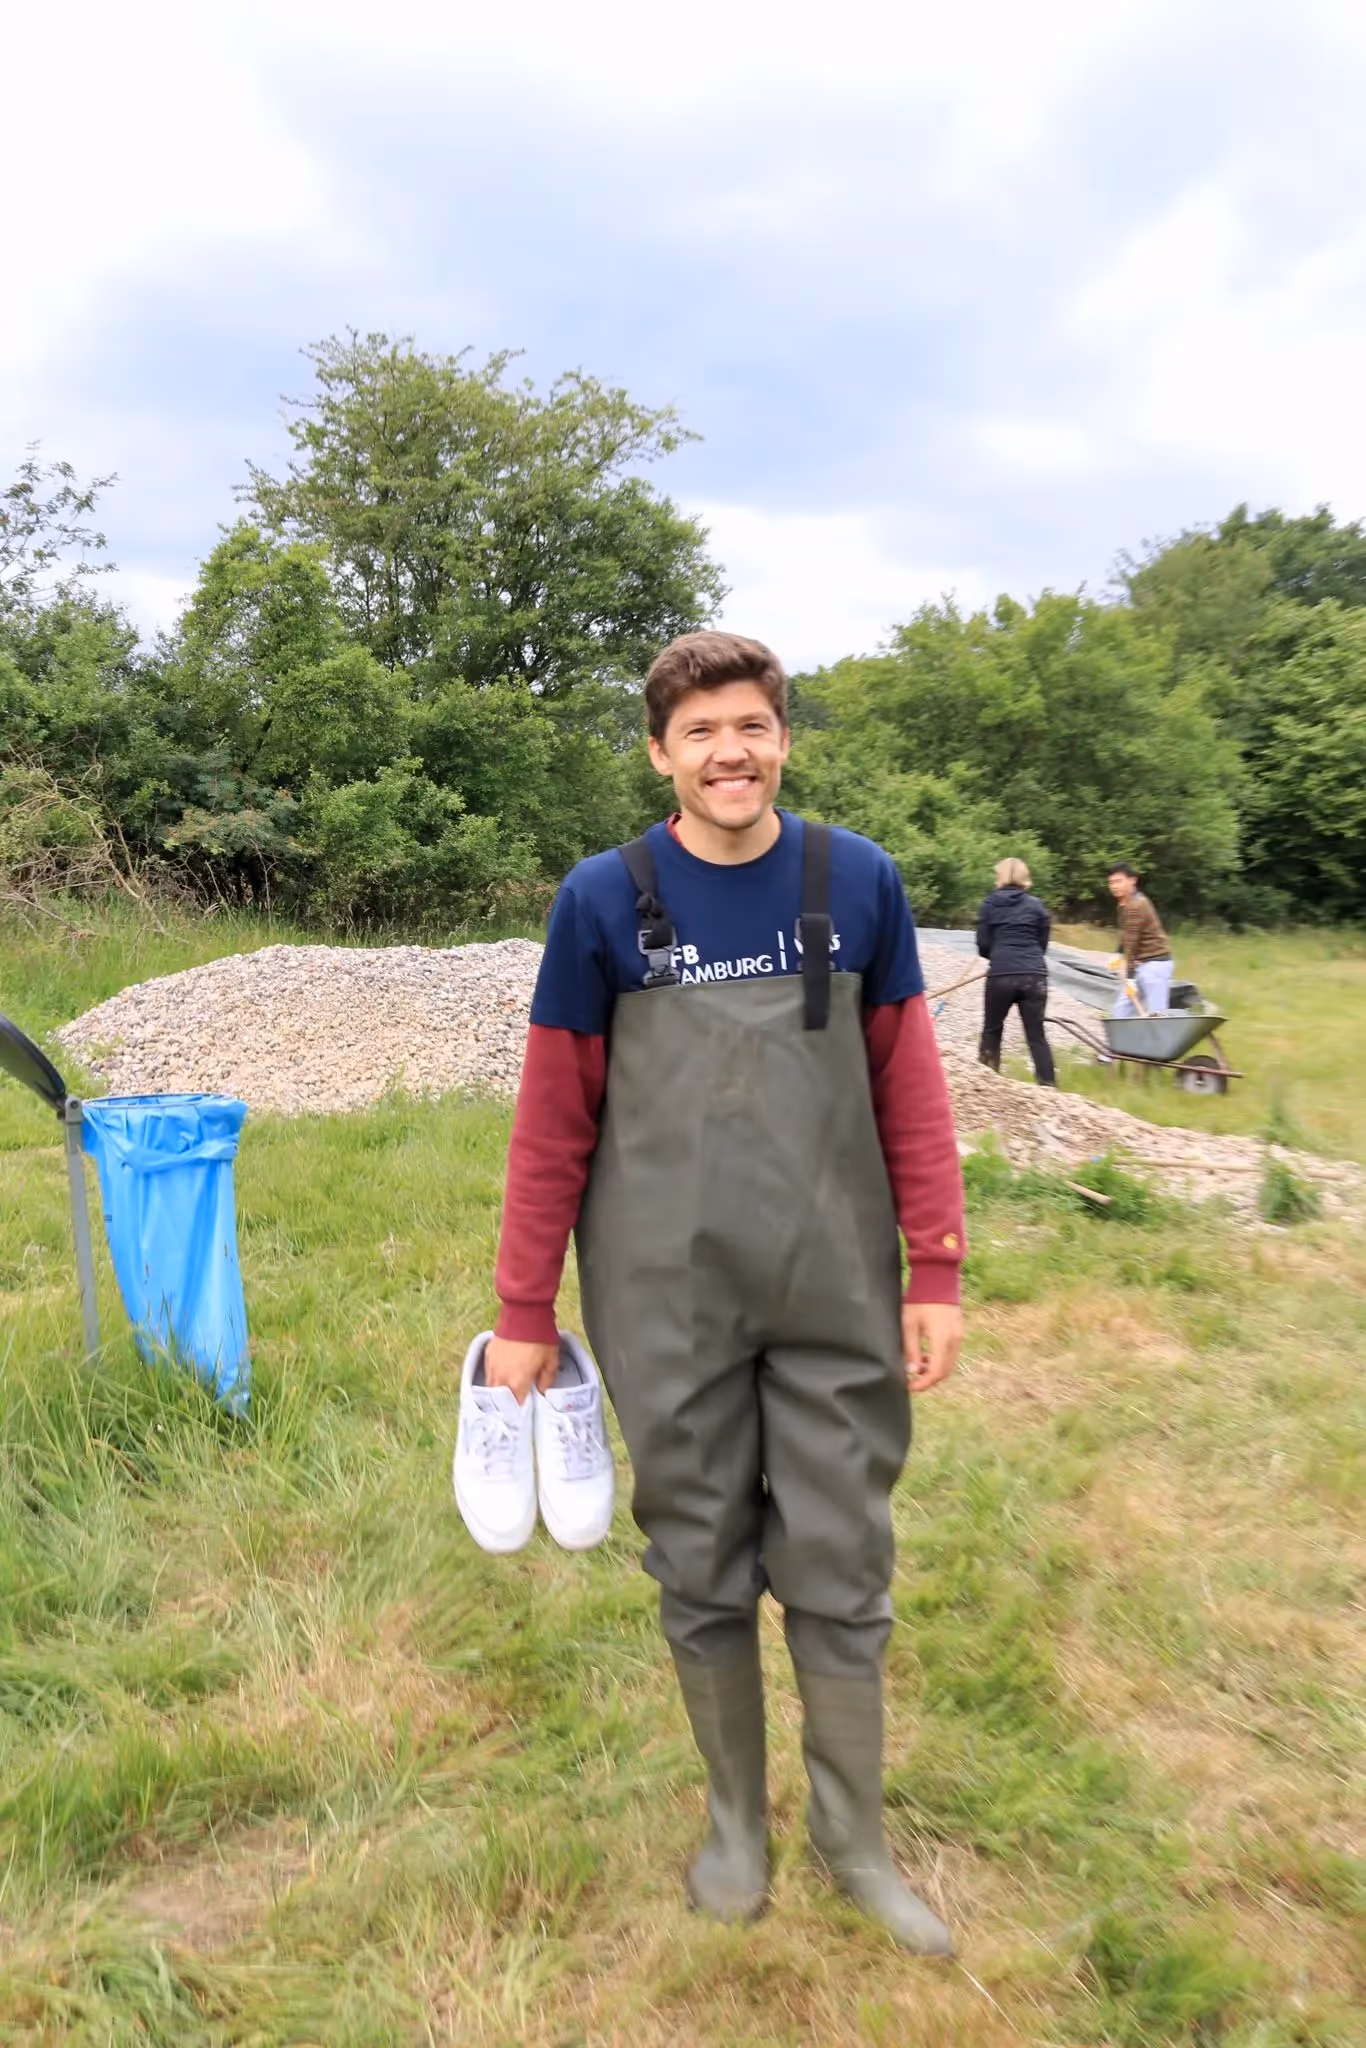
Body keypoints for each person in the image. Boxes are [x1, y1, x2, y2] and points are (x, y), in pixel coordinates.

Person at [484, 631, 964, 1954]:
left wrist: (934, 1264)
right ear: (660, 754)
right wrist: (524, 1310)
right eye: (699, 732)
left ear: (783, 739)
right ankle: (735, 1830)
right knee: (697, 1556)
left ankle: (854, 1842)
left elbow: (912, 1091)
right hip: (665, 1298)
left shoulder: (857, 881)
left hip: (835, 1290)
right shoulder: (599, 901)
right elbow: (551, 1121)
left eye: (749, 725)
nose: (728, 752)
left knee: (840, 1555)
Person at [974, 857, 1055, 1085]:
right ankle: (1049, 1089)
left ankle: (986, 1086)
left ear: (1000, 877)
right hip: (1034, 976)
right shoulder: (1037, 905)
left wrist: (999, 957)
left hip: (1001, 974)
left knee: (992, 1030)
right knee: (1036, 1036)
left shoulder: (989, 904)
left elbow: (983, 945)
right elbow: (1042, 944)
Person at [1106, 861, 1174, 1014]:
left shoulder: (1136, 905)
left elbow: (1132, 944)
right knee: (1121, 1012)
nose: (1114, 886)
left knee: (1157, 1014)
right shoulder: (1124, 905)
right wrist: (1118, 953)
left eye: (1119, 881)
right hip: (1140, 965)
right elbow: (1127, 933)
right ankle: (1122, 1031)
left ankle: (1159, 1030)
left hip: (1155, 965)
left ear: (1132, 880)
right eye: (1111, 882)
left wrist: (1130, 978)